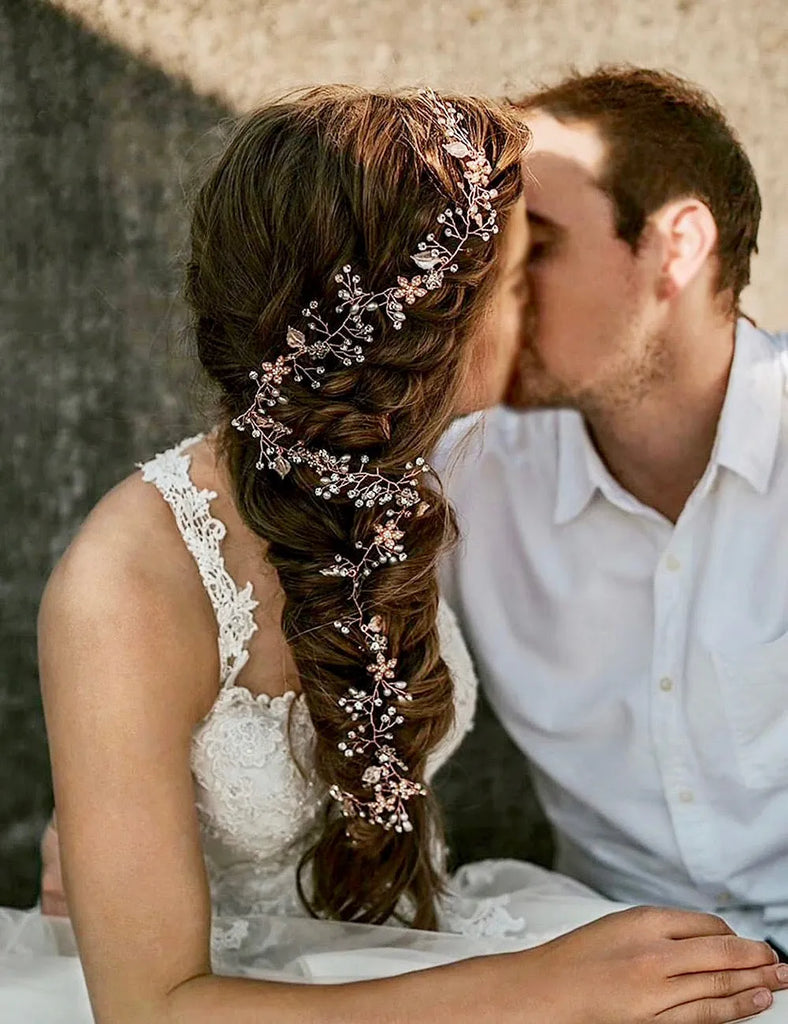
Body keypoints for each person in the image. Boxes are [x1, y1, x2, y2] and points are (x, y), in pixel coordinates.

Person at [14, 85, 786, 1024]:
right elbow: (146, 1006)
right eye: (514, 279)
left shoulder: (411, 480)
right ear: (417, 322)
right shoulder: (125, 585)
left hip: (429, 943)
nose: (530, 305)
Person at [437, 65, 788, 982]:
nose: (486, 284)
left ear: (677, 249)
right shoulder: (463, 465)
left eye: (537, 243)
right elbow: (249, 562)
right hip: (595, 970)